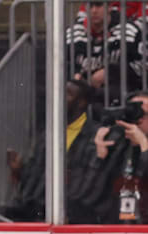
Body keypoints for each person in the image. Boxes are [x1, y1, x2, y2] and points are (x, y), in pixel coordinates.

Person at [6, 79, 99, 222]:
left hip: (73, 216)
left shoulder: (95, 134)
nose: (61, 99)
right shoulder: (48, 131)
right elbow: (35, 175)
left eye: (68, 94)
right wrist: (19, 169)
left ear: (82, 102)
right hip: (38, 211)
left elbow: (91, 182)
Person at [86, 90, 148, 224]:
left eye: (145, 114)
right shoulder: (112, 147)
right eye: (133, 112)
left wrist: (143, 143)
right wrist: (98, 158)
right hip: (112, 228)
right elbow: (87, 196)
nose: (139, 119)